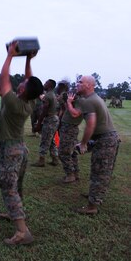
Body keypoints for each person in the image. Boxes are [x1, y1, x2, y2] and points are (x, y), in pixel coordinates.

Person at [0, 42, 43, 245]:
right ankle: (13, 213)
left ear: (24, 91)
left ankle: (22, 232)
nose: (22, 83)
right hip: (21, 149)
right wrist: (27, 59)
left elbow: (3, 81)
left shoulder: (15, 104)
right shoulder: (30, 100)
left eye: (24, 85)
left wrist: (9, 56)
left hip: (11, 149)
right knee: (17, 185)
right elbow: (29, 79)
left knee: (8, 186)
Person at [66, 76, 120, 215]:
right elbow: (77, 114)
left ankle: (92, 207)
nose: (77, 84)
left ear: (89, 85)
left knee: (100, 172)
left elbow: (91, 124)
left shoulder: (90, 100)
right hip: (103, 138)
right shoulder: (91, 99)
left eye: (80, 82)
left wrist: (83, 143)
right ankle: (94, 196)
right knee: (99, 170)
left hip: (105, 139)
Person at [31, 79, 59, 167]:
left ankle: (41, 160)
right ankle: (55, 159)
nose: (44, 84)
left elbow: (44, 110)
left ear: (50, 86)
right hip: (54, 119)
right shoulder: (52, 95)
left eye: (46, 83)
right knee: (51, 141)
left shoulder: (47, 96)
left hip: (50, 120)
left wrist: (39, 123)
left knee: (45, 140)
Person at [58, 86, 84, 183]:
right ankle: (75, 173)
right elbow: (63, 99)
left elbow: (74, 114)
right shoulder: (77, 101)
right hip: (68, 128)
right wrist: (68, 102)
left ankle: (70, 175)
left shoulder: (82, 101)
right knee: (72, 152)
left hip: (70, 128)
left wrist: (69, 102)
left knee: (63, 153)